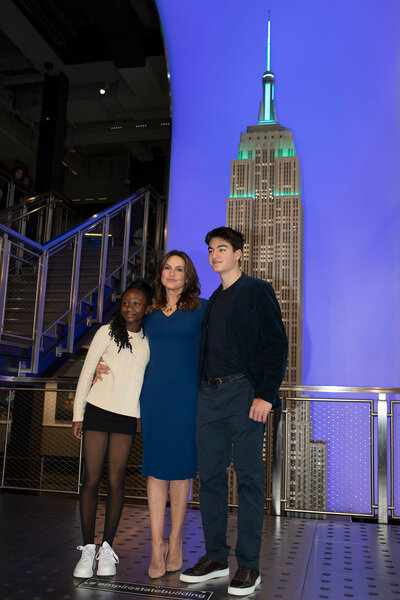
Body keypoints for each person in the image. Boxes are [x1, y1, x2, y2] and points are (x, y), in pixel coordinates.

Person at [180, 227, 288, 596]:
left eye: (222, 249)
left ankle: (249, 565)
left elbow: (276, 345)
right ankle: (214, 557)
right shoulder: (211, 302)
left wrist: (265, 395)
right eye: (210, 250)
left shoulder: (256, 291)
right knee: (208, 478)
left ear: (240, 253)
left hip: (244, 393)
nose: (214, 255)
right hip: (208, 397)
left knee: (248, 479)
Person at [96, 251, 207, 579]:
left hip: (188, 399)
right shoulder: (150, 312)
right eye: (167, 268)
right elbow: (121, 341)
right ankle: (156, 544)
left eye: (179, 269)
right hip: (154, 399)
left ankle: (175, 543)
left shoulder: (201, 310)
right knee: (156, 471)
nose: (172, 274)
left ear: (188, 276)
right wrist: (102, 363)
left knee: (182, 472)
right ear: (160, 274)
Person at [71, 280, 152, 579]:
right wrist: (78, 414)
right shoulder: (106, 332)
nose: (130, 308)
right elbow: (86, 372)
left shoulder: (148, 339)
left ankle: (107, 549)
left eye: (137, 304)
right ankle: (87, 550)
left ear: (146, 309)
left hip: (127, 416)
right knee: (91, 479)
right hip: (98, 410)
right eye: (126, 302)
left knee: (117, 481)